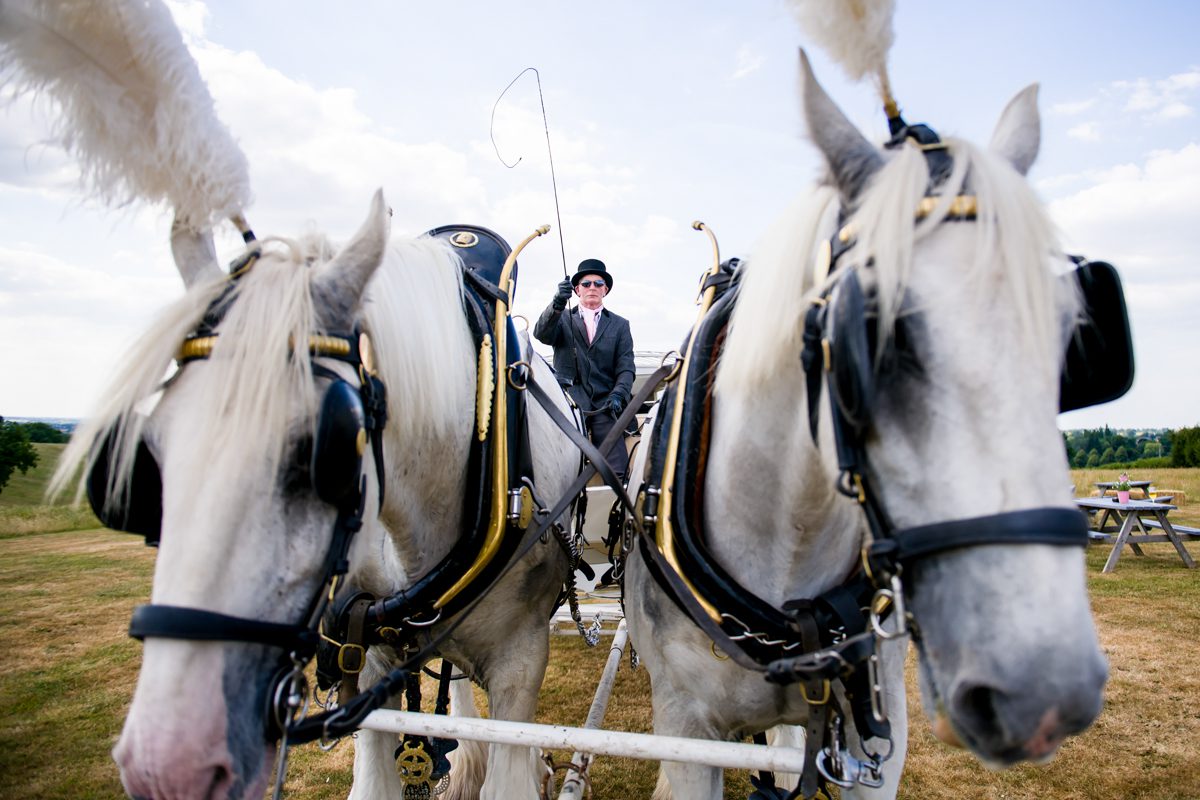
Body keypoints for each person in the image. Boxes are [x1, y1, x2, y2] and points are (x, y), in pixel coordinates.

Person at [534, 258, 635, 480]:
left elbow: (626, 368)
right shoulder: (561, 318)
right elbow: (541, 334)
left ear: (605, 290)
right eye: (586, 284)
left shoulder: (620, 325)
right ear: (576, 289)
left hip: (604, 404)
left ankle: (614, 506)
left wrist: (618, 394)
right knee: (556, 464)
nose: (592, 288)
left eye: (598, 284)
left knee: (617, 469)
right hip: (568, 402)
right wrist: (557, 303)